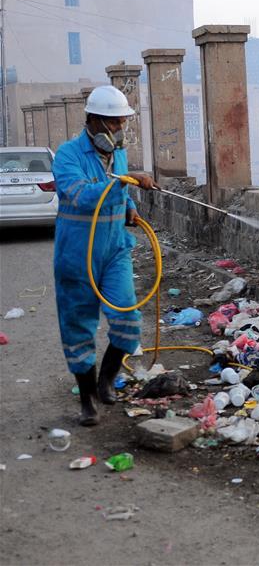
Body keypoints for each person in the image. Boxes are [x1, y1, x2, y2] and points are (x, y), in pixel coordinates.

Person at [52, 85, 156, 426]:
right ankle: (87, 400)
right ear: (94, 121)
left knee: (128, 322)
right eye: (113, 124)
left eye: (122, 122)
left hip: (114, 252)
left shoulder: (119, 154)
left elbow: (120, 193)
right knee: (78, 327)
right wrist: (123, 184)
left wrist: (129, 208)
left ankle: (106, 380)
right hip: (77, 256)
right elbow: (81, 195)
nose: (119, 130)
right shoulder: (68, 155)